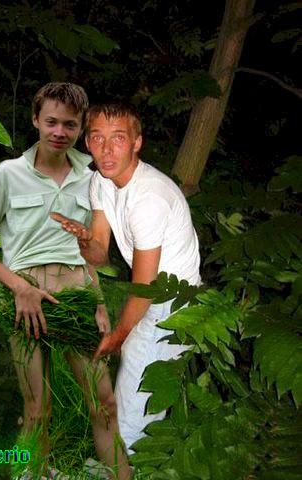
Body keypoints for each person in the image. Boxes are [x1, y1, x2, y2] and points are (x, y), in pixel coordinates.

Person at [0, 85, 131, 480]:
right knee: (38, 409)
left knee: (104, 402)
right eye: (51, 121)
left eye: (70, 124)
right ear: (36, 119)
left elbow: (89, 250)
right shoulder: (7, 175)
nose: (59, 131)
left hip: (76, 299)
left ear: (81, 127)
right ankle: (33, 473)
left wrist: (99, 302)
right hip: (27, 304)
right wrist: (19, 288)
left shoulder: (92, 178)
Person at [51, 103, 201, 454]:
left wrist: (118, 336)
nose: (106, 149)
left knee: (136, 396)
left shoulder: (149, 198)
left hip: (174, 304)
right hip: (150, 293)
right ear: (87, 142)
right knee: (133, 388)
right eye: (97, 138)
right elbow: (99, 253)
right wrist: (84, 240)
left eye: (118, 138)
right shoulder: (100, 182)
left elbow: (146, 286)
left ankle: (124, 464)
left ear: (137, 143)